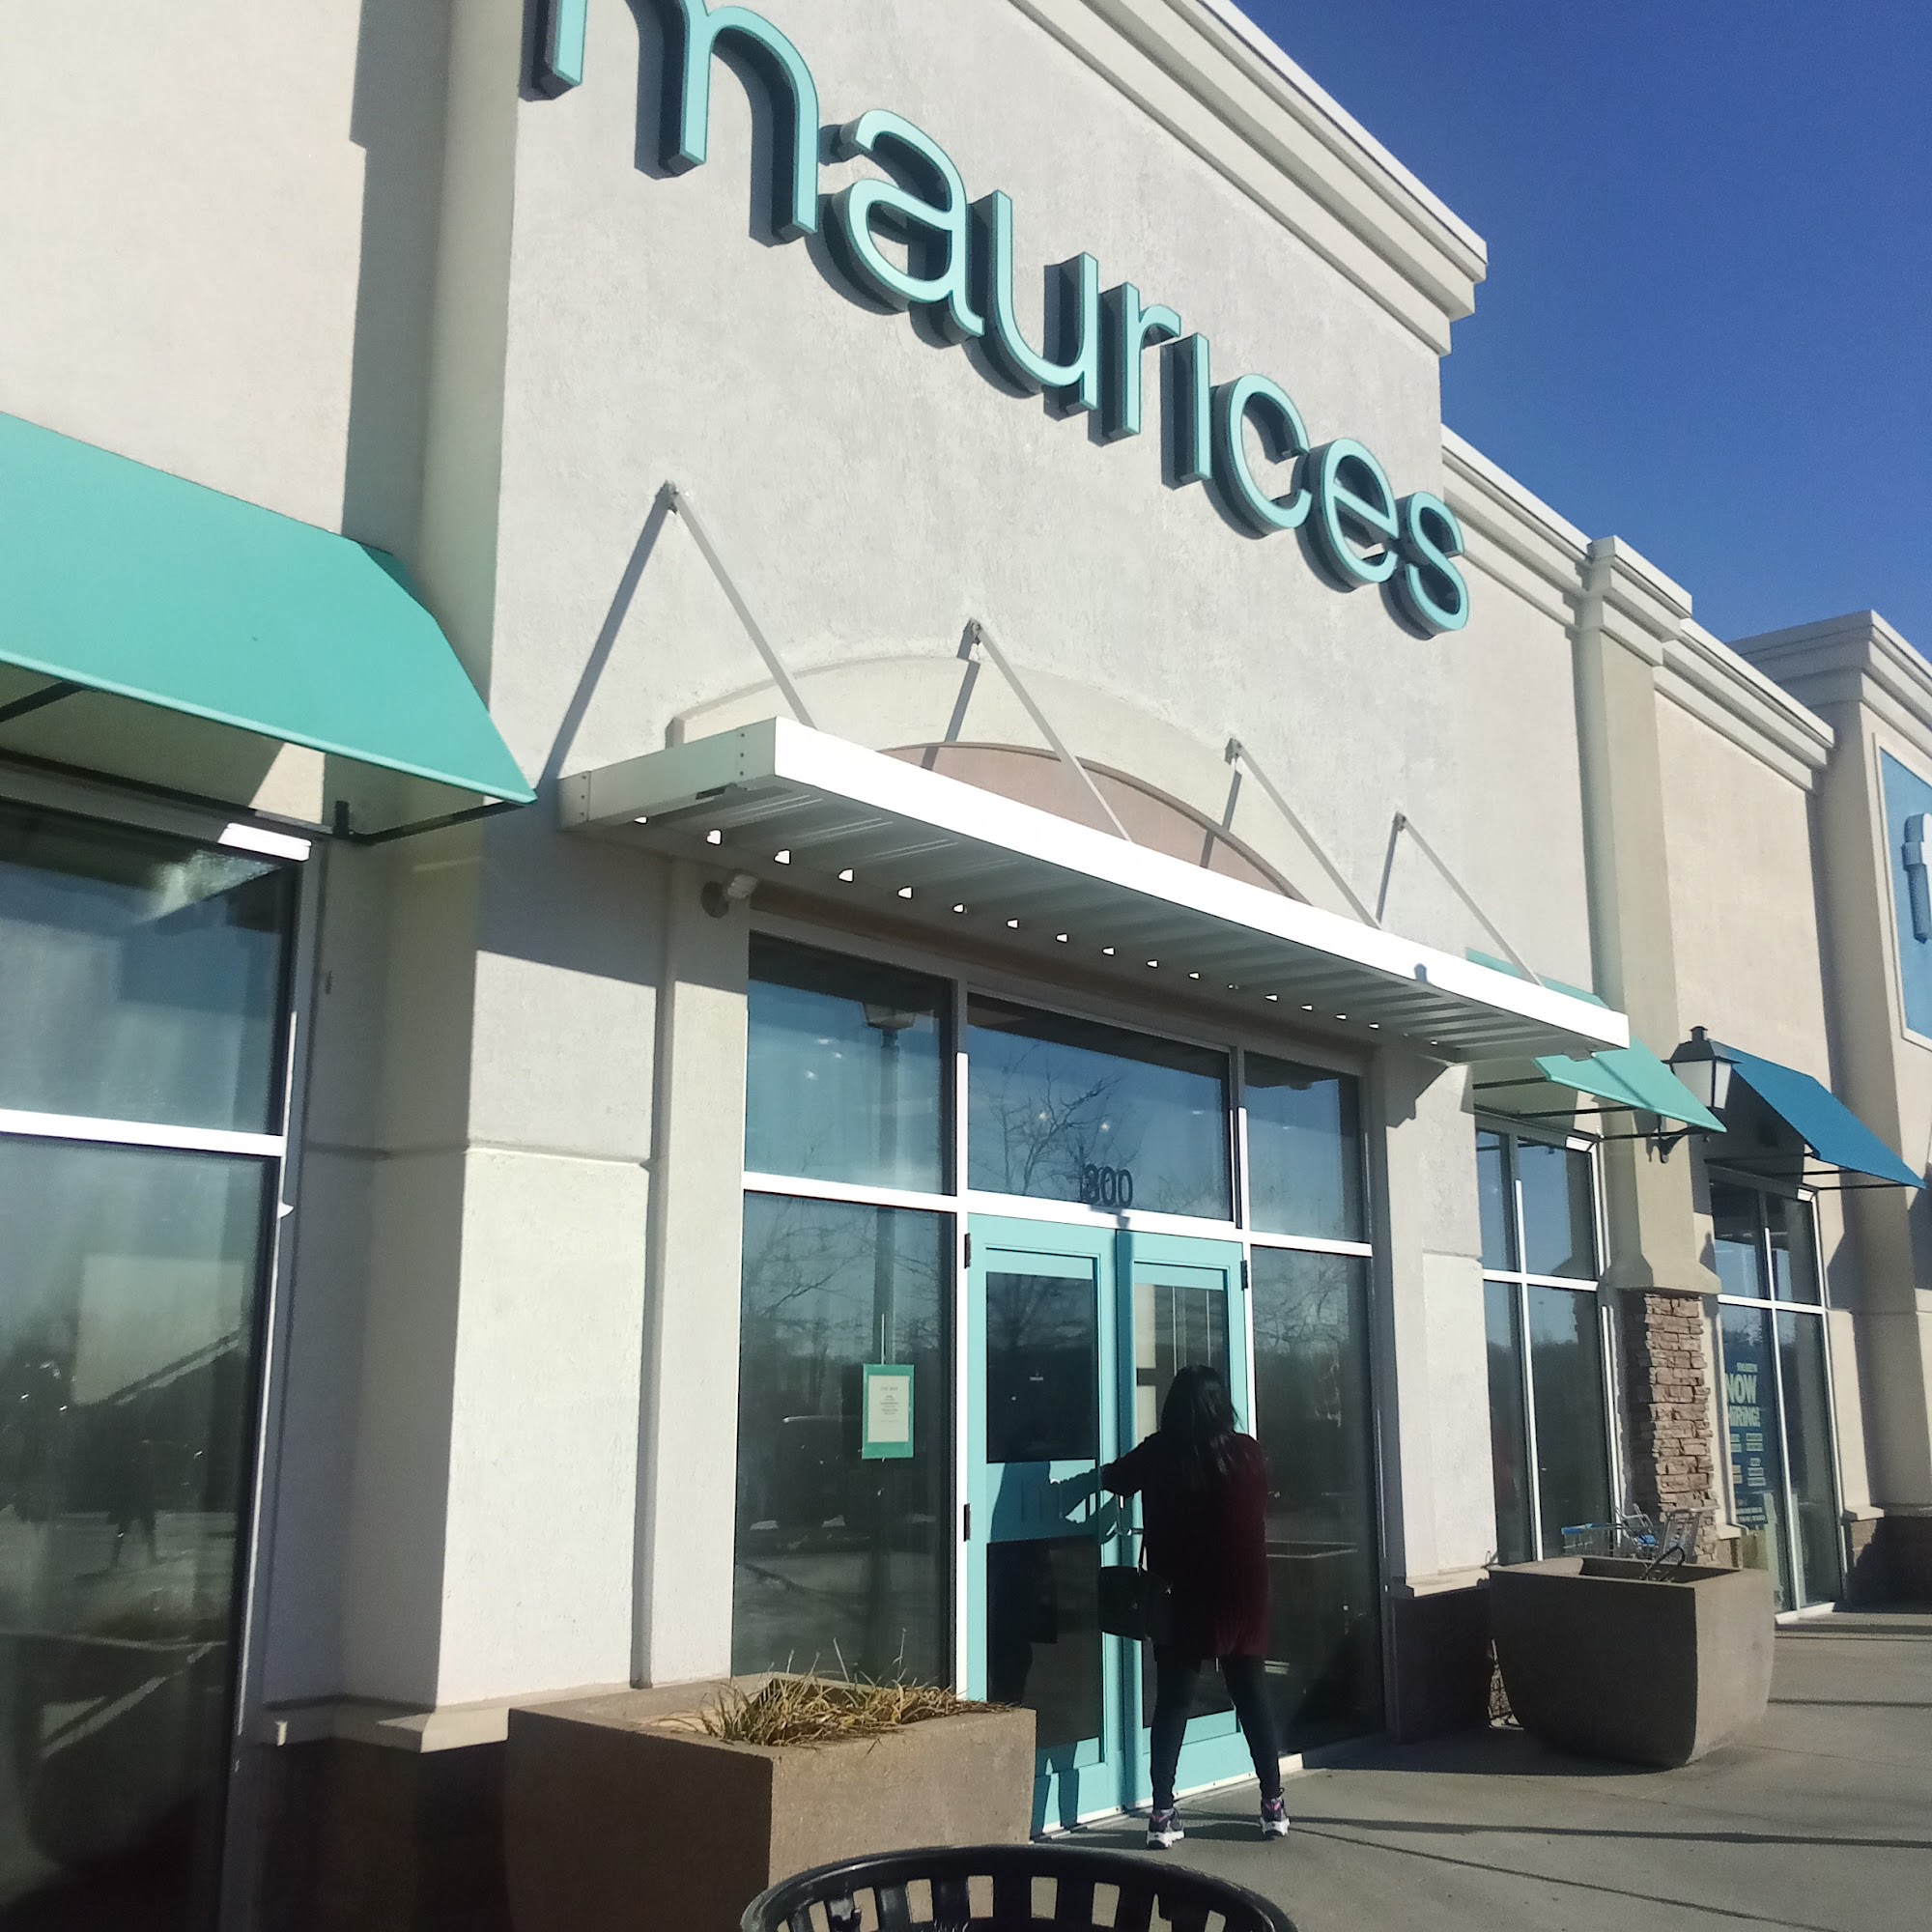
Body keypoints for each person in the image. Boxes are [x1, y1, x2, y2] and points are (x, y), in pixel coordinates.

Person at [1101, 1364, 1288, 1848]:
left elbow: (1114, 1478)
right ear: (1221, 1405)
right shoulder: (1248, 1452)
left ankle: (1162, 1813)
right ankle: (1272, 1804)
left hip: (1181, 1595)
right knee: (1252, 1695)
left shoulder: (1161, 1452)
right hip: (1243, 1594)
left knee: (1174, 1701)